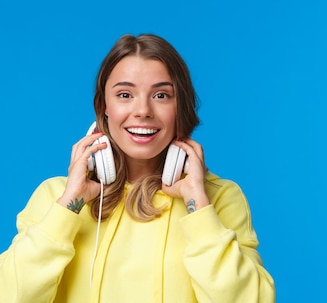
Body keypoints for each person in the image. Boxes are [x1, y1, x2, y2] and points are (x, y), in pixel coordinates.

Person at [0, 33, 275, 302]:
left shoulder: (218, 197)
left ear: (180, 107)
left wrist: (198, 207)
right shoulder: (55, 196)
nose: (143, 110)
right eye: (124, 94)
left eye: (161, 95)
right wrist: (69, 205)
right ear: (104, 106)